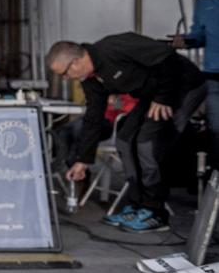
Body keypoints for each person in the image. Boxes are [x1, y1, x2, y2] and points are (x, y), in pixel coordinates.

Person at [48, 33, 206, 232]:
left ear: (77, 61)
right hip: (153, 94)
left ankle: (155, 212)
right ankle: (137, 204)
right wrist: (83, 160)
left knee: (147, 142)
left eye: (64, 73)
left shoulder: (114, 47)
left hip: (183, 86)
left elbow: (167, 56)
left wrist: (164, 97)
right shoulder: (90, 79)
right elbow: (93, 119)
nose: (65, 79)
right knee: (124, 139)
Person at [171, 0, 219, 163]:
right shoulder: (202, 2)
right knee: (216, 129)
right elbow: (199, 34)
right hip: (213, 75)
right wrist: (186, 40)